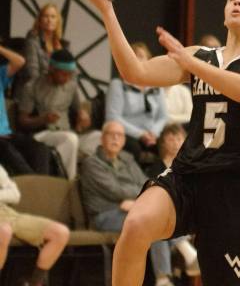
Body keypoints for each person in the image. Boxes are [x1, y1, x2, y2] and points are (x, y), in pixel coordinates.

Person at [77, 0, 240, 286]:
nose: (238, 1)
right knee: (135, 225)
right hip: (189, 173)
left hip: (234, 187)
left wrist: (191, 65)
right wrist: (107, 12)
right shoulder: (199, 55)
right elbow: (135, 72)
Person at [80, 121, 197, 286]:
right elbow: (114, 190)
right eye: (111, 134)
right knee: (149, 222)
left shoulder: (128, 159)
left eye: (119, 135)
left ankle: (165, 278)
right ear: (102, 138)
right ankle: (176, 265)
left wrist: (135, 202)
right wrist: (138, 198)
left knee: (151, 220)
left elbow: (146, 183)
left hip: (129, 209)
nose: (115, 138)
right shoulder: (91, 163)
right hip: (104, 215)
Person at [17, 49, 91, 179]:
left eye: (69, 74)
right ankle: (70, 182)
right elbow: (22, 121)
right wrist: (43, 119)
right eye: (63, 74)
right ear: (51, 69)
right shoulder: (32, 87)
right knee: (70, 139)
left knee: (99, 137)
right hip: (43, 133)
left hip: (67, 131)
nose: (66, 78)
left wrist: (83, 118)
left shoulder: (71, 85)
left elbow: (78, 111)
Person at [0, 164, 70, 286]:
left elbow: (15, 194)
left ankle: (34, 282)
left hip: (5, 211)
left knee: (60, 232)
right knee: (4, 231)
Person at [106, 42, 168, 164]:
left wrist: (154, 133)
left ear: (149, 60)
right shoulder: (118, 85)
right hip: (128, 133)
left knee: (169, 144)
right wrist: (140, 134)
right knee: (134, 148)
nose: (136, 59)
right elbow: (113, 117)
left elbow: (163, 116)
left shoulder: (156, 86)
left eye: (140, 56)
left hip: (152, 135)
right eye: (133, 56)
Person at [0, 44, 51, 176]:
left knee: (40, 149)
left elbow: (19, 61)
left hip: (7, 135)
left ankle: (43, 185)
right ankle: (35, 186)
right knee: (8, 150)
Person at [14, 3, 66, 101]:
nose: (49, 20)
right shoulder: (32, 40)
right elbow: (32, 73)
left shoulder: (62, 45)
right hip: (33, 92)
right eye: (46, 16)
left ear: (58, 21)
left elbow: (71, 74)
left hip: (55, 92)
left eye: (53, 17)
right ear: (40, 20)